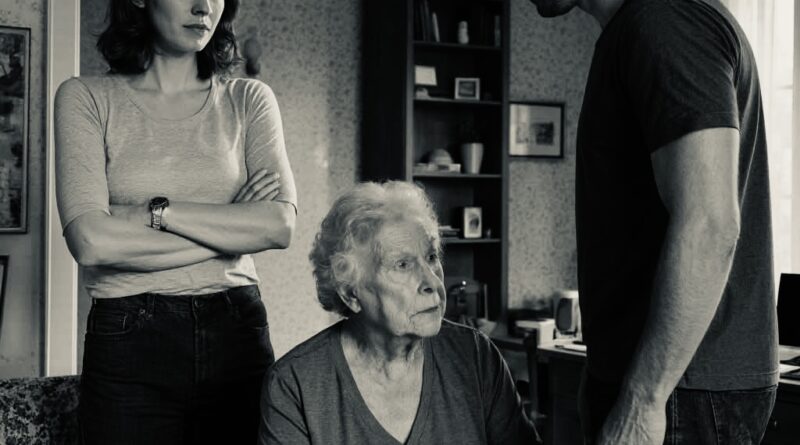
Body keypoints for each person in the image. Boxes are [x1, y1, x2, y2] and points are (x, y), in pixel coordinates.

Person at [528, 0, 778, 444]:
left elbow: (710, 225)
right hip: (668, 384)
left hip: (680, 389)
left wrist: (642, 400)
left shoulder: (665, 21)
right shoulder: (644, 27)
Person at [54, 0, 297, 443]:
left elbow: (278, 226)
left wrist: (160, 213)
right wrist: (232, 227)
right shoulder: (84, 97)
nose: (203, 7)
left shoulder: (249, 99)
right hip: (128, 337)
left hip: (237, 330)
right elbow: (90, 242)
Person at [258, 181, 539, 445]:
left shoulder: (476, 355)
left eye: (431, 257)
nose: (432, 282)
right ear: (351, 293)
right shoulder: (294, 385)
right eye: (403, 265)